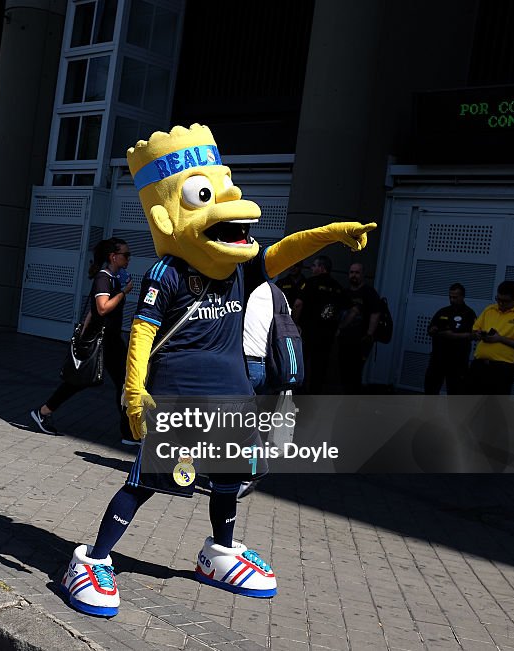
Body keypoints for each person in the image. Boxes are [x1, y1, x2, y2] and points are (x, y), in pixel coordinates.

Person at [61, 123, 377, 619]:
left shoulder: (239, 269)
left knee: (229, 478)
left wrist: (334, 234)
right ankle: (93, 558)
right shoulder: (165, 273)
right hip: (178, 403)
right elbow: (142, 334)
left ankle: (220, 553)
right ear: (167, 216)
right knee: (146, 483)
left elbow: (285, 251)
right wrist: (134, 393)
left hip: (232, 402)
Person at [29, 238, 135, 444]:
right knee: (79, 381)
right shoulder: (104, 278)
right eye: (126, 254)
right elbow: (102, 307)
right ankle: (43, 412)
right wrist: (123, 292)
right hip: (102, 340)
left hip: (110, 339)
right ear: (114, 257)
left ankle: (129, 433)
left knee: (124, 383)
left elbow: (93, 312)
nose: (129, 258)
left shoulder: (113, 278)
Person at [465, 280, 514, 395]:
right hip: (479, 364)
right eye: (498, 299)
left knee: (496, 405)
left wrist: (500, 339)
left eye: (505, 301)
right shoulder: (489, 309)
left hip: (503, 368)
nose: (500, 303)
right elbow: (475, 329)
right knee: (471, 402)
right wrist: (478, 334)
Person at [291, 255, 343, 393]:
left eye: (314, 266)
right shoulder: (338, 287)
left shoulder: (310, 283)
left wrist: (294, 324)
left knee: (300, 363)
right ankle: (314, 396)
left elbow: (297, 304)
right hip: (327, 335)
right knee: (320, 368)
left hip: (308, 332)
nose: (312, 268)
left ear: (321, 268)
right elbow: (343, 310)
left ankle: (298, 395)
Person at [335, 262, 382, 394]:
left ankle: (352, 404)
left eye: (357, 272)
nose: (353, 275)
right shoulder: (344, 293)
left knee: (355, 374)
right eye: (351, 272)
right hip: (344, 340)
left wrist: (369, 334)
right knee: (344, 371)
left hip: (360, 341)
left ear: (363, 275)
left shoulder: (369, 293)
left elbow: (376, 313)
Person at [423, 283, 476, 395]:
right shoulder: (443, 311)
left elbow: (474, 335)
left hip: (457, 363)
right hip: (438, 360)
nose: (452, 300)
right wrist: (432, 329)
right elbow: (430, 329)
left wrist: (452, 335)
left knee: (455, 394)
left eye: (455, 297)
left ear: (462, 296)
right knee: (430, 391)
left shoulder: (469, 314)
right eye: (450, 297)